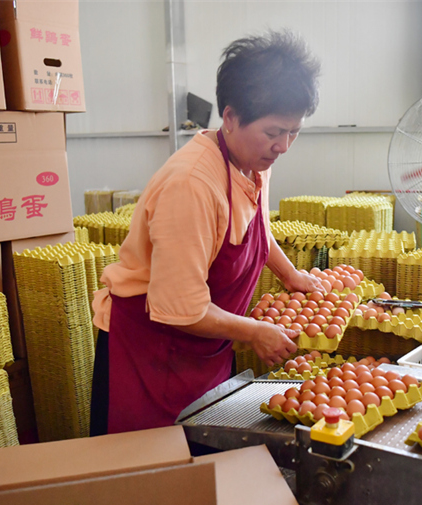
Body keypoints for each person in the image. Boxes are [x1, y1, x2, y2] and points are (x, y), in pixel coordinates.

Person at [90, 30, 324, 435]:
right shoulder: (193, 185)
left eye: (294, 132)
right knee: (148, 470)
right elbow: (181, 307)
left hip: (202, 346)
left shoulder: (253, 163)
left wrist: (292, 276)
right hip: (152, 351)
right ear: (230, 118)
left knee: (201, 454)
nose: (284, 146)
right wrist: (254, 332)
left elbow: (254, 229)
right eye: (273, 132)